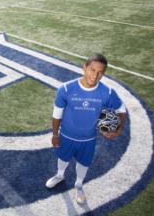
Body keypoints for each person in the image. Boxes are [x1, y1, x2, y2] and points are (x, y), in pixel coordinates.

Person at [45, 53, 126, 204]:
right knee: (62, 157)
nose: (95, 75)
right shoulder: (66, 89)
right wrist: (55, 134)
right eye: (92, 70)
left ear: (104, 73)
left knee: (84, 163)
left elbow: (121, 109)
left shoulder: (107, 92)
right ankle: (60, 175)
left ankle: (79, 185)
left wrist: (119, 129)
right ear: (84, 68)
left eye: (100, 72)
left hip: (88, 139)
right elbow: (57, 114)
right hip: (66, 136)